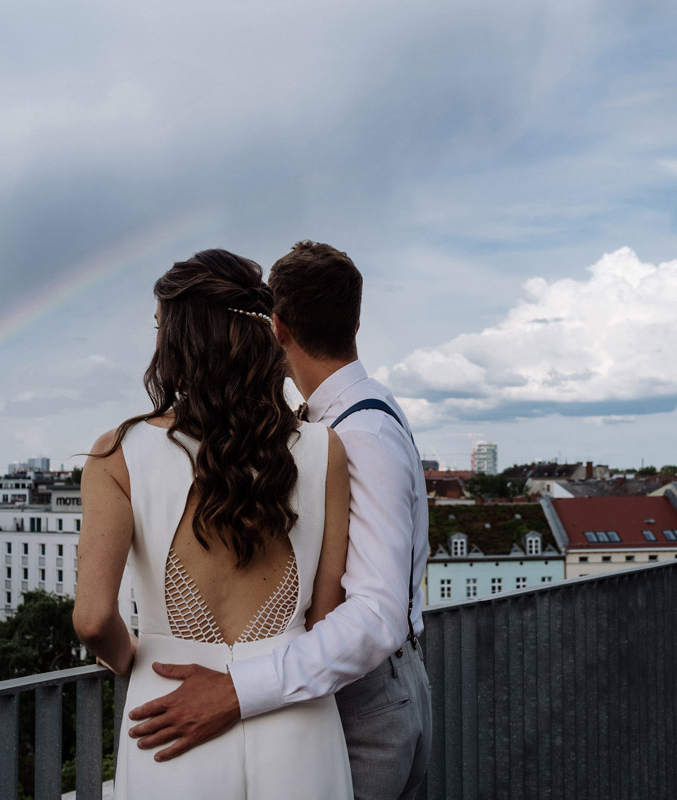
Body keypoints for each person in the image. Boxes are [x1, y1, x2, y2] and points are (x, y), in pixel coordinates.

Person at [127, 241, 432, 800]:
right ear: (355, 322)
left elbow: (375, 614)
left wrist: (237, 689)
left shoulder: (359, 435)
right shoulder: (363, 412)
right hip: (368, 685)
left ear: (277, 328)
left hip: (361, 701)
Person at [73, 249, 354, 799]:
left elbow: (91, 619)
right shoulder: (325, 448)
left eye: (160, 327)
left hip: (168, 718)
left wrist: (136, 659)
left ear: (182, 340)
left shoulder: (117, 453)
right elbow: (326, 619)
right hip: (296, 719)